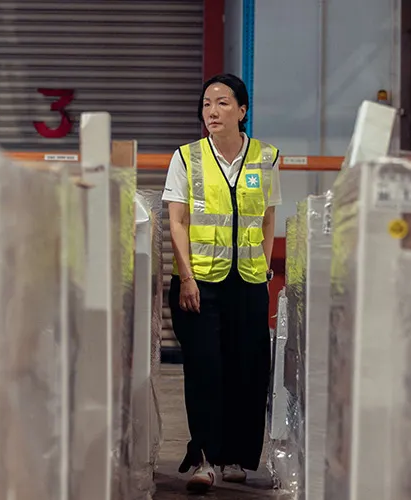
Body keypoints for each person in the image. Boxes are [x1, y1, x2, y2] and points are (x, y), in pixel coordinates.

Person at [162, 73, 282, 492]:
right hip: (201, 284)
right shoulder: (187, 157)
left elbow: (267, 218)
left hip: (248, 282)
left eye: (223, 103)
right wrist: (188, 278)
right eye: (207, 104)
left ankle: (235, 458)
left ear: (243, 111)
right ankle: (206, 458)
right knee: (204, 370)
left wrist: (264, 272)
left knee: (247, 370)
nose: (212, 111)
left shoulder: (265, 157)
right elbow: (175, 221)